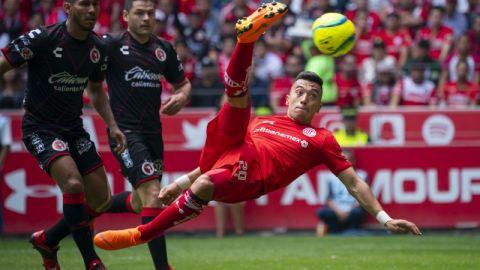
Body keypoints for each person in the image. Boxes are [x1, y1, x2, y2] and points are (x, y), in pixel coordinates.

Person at [93, 1, 421, 254]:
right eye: (300, 93)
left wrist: (384, 217)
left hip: (253, 176)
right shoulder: (265, 121)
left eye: (313, 97)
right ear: (288, 96)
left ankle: (140, 234)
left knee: (209, 180)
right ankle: (247, 38)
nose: (305, 99)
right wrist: (179, 184)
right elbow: (218, 157)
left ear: (320, 107)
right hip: (233, 153)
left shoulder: (321, 139)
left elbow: (354, 183)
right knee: (237, 99)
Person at [26, 1, 192, 269]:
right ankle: (163, 267)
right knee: (152, 196)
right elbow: (92, 81)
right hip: (126, 133)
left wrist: (182, 96)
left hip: (153, 134)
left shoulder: (164, 49)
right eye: (139, 13)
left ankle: (50, 237)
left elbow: (183, 84)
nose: (146, 18)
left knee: (137, 204)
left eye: (150, 13)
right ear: (126, 16)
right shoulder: (108, 45)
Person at [0, 1, 127, 269]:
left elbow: (96, 91)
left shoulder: (99, 48)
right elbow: (3, 64)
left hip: (73, 128)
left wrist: (113, 125)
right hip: (40, 127)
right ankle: (92, 262)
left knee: (101, 200)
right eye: (84, 4)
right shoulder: (43, 38)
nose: (92, 10)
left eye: (95, 4)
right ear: (68, 8)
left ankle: (48, 239)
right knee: (72, 184)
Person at [316, 149, 367, 236]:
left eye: (349, 159)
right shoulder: (331, 176)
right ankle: (335, 231)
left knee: (358, 213)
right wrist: (339, 211)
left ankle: (350, 231)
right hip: (337, 209)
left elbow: (363, 197)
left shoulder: (362, 175)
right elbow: (329, 199)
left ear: (353, 160)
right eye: (344, 160)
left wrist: (349, 211)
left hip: (352, 208)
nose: (346, 162)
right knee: (322, 212)